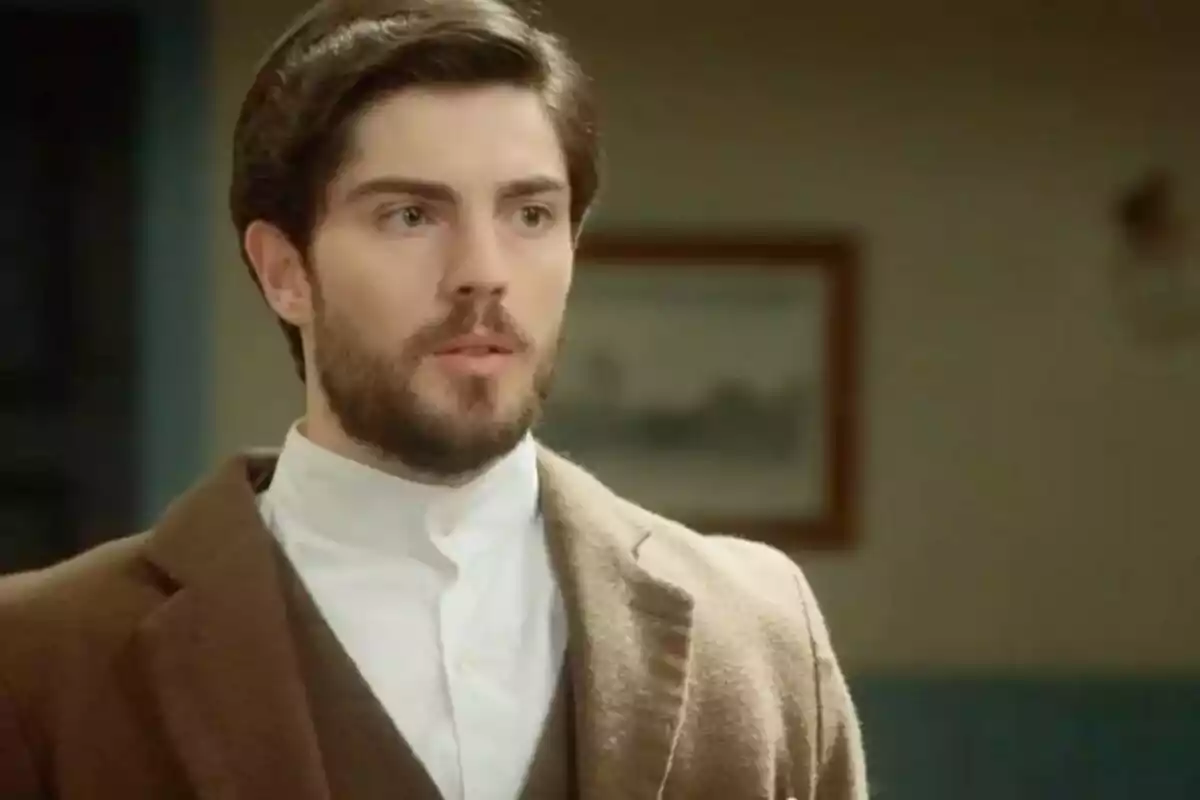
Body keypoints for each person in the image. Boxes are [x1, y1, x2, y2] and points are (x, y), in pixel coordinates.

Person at [0, 1, 868, 797]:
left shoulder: (756, 633)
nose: (483, 273)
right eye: (412, 216)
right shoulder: (42, 657)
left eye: (529, 215)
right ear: (284, 272)